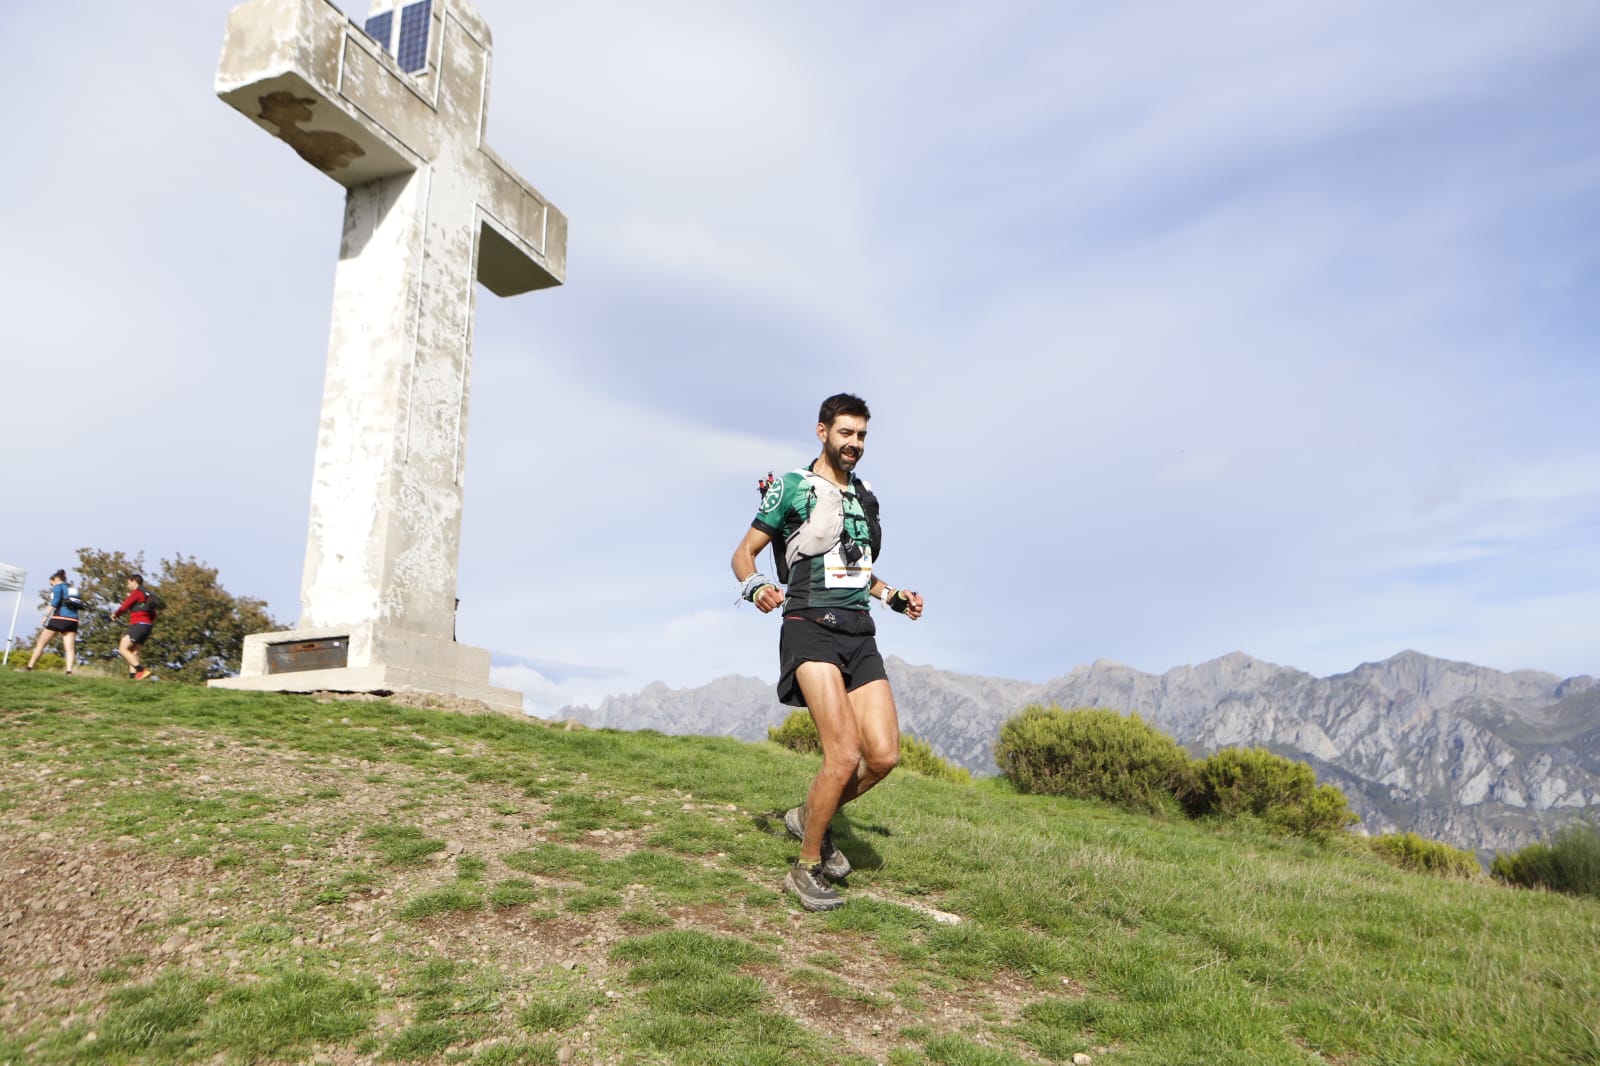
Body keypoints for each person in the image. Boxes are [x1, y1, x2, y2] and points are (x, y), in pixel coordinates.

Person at [730, 393, 924, 911]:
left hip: (860, 632)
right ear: (822, 432)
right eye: (845, 433)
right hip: (810, 626)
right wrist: (755, 589)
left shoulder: (866, 495)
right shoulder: (792, 486)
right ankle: (807, 864)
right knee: (843, 754)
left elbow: (856, 565)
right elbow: (742, 554)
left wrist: (892, 595)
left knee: (882, 756)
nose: (854, 444)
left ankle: (806, 815)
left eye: (861, 435)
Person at [20, 569, 80, 675]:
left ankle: (29, 667)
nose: (51, 585)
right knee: (70, 649)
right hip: (73, 620)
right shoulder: (72, 589)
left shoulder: (58, 587)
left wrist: (46, 616)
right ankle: (69, 672)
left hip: (59, 619)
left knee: (41, 643)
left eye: (51, 583)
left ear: (55, 579)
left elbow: (54, 603)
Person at [110, 574, 157, 681]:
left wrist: (115, 615)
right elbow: (154, 614)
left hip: (139, 625)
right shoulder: (148, 596)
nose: (128, 585)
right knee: (133, 652)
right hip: (147, 626)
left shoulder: (137, 593)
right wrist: (147, 622)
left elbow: (124, 606)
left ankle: (141, 670)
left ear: (134, 581)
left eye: (128, 583)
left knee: (122, 648)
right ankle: (133, 678)